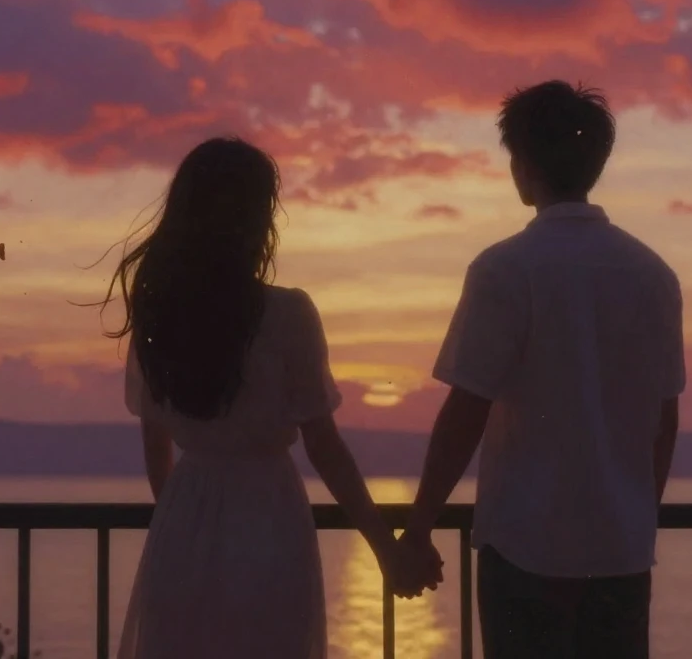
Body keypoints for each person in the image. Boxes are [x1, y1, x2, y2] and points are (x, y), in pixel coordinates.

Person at [93, 137, 442, 659]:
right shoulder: (286, 313)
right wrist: (385, 550)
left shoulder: (159, 313)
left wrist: (180, 523)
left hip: (183, 519)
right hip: (268, 516)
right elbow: (324, 446)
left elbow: (155, 443)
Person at [392, 81, 686, 658]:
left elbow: (466, 410)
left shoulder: (505, 268)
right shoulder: (653, 274)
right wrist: (636, 518)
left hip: (525, 546)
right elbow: (664, 418)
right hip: (620, 554)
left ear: (522, 165)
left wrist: (419, 528)